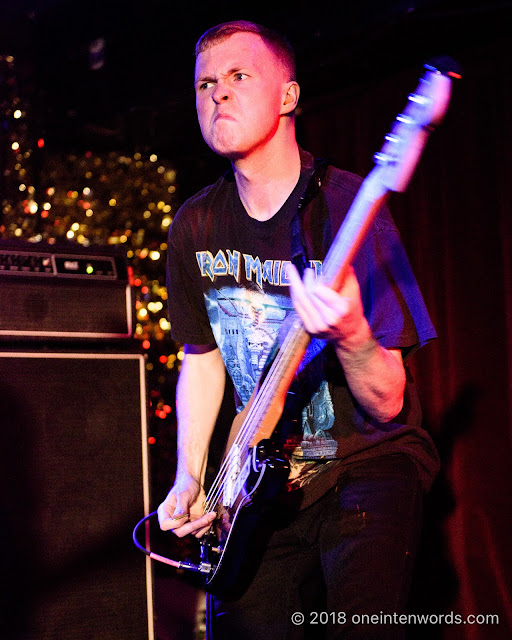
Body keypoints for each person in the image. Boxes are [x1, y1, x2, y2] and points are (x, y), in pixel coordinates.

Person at [157, 20, 439, 639]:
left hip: (363, 465)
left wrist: (353, 333)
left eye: (238, 77)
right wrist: (190, 477)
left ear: (288, 96)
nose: (217, 95)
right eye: (205, 83)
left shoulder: (347, 209)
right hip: (258, 481)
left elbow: (389, 402)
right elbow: (201, 358)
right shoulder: (195, 224)